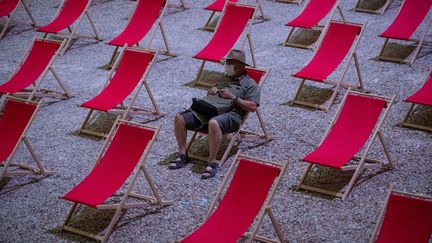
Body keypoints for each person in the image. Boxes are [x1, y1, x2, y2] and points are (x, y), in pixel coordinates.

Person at [169, 49, 260, 179]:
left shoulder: (251, 84)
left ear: (239, 65)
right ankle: (182, 155)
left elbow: (252, 107)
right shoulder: (225, 78)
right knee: (179, 117)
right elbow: (212, 96)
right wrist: (211, 91)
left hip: (231, 115)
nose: (226, 65)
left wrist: (233, 97)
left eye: (229, 63)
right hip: (210, 110)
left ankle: (212, 162)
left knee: (214, 122)